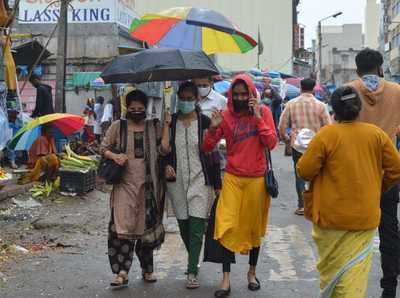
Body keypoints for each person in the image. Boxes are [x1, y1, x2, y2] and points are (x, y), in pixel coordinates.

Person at [296, 86, 400, 297]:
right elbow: (396, 169)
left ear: (334, 111)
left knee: (333, 275)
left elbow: (304, 171)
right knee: (353, 277)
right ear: (359, 109)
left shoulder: (326, 135)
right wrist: (379, 187)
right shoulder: (376, 134)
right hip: (364, 218)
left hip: (330, 219)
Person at [202, 74, 277, 297]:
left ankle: (251, 273)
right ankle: (225, 279)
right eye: (237, 94)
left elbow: (271, 142)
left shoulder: (263, 113)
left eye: (245, 94)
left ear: (252, 94)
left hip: (256, 179)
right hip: (233, 178)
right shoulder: (225, 116)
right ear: (231, 96)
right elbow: (207, 147)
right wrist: (214, 129)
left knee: (253, 229)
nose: (241, 97)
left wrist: (258, 119)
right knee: (225, 225)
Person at [101, 89, 170, 290]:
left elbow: (164, 149)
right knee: (122, 229)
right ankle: (121, 272)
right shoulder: (118, 127)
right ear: (127, 108)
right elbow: (103, 147)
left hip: (148, 187)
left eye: (141, 109)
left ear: (146, 109)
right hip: (124, 186)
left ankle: (147, 269)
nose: (137, 111)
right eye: (133, 109)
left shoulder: (153, 126)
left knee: (146, 231)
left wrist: (166, 125)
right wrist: (115, 156)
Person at [347, 48, 400, 298]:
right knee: (389, 228)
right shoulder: (397, 92)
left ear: (357, 70)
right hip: (389, 170)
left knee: (355, 231)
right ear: (380, 68)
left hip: (356, 172)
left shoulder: (348, 90)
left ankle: (352, 286)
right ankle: (389, 287)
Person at [164, 81, 221, 290]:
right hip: (176, 181)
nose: (186, 102)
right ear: (178, 98)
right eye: (183, 98)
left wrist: (217, 184)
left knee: (197, 226)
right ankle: (194, 257)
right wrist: (166, 165)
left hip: (200, 179)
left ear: (197, 99)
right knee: (184, 225)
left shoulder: (205, 122)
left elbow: (214, 155)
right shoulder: (171, 122)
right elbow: (164, 150)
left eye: (190, 98)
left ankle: (192, 271)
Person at [278, 78, 331, 216]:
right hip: (317, 145)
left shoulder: (291, 104)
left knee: (299, 175)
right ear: (313, 88)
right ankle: (316, 203)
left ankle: (302, 206)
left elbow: (282, 126)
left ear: (300, 88)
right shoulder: (321, 105)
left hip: (297, 146)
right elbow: (329, 127)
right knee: (317, 174)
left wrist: (286, 138)